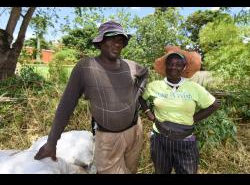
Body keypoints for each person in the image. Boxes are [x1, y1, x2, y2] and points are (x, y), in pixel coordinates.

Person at [34, 20, 148, 174]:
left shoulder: (130, 65)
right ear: (100, 42)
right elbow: (66, 106)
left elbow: (145, 73)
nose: (117, 44)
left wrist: (136, 95)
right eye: (111, 39)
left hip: (135, 131)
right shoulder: (86, 67)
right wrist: (51, 143)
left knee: (131, 169)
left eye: (120, 40)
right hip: (108, 139)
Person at [139, 46, 220, 174]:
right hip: (160, 139)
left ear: (184, 68)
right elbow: (141, 98)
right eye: (170, 64)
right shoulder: (154, 86)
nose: (173, 67)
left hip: (185, 141)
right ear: (165, 66)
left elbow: (214, 104)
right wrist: (147, 112)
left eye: (178, 64)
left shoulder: (193, 87)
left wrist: (194, 118)